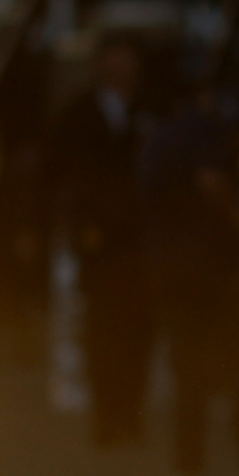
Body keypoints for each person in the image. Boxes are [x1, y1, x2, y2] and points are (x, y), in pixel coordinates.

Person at [140, 83, 239, 476]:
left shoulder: (160, 137)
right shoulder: (211, 132)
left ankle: (187, 470)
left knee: (187, 373)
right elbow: (211, 180)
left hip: (172, 267)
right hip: (219, 265)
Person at [49, 36, 155, 449]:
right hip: (99, 238)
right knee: (102, 331)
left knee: (139, 331)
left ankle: (132, 412)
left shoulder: (151, 108)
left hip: (142, 237)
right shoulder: (80, 112)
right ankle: (108, 414)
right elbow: (59, 170)